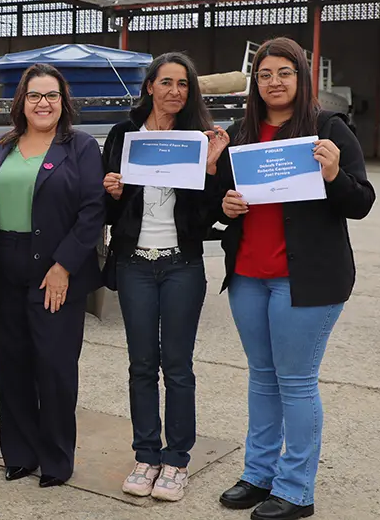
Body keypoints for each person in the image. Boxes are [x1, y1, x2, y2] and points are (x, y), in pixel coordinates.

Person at [215, 37, 375, 520]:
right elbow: (223, 199)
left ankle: (295, 489)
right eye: (265, 74)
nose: (274, 82)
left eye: (284, 73)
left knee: (297, 383)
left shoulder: (328, 130)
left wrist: (332, 176)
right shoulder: (242, 133)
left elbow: (362, 202)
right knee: (262, 380)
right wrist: (226, 206)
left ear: (301, 78)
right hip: (248, 275)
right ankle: (259, 474)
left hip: (304, 280)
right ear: (255, 82)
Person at [101, 52, 229, 502]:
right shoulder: (124, 135)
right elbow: (111, 210)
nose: (175, 91)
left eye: (183, 84)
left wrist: (212, 168)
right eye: (167, 82)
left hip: (181, 264)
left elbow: (210, 214)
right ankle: (145, 454)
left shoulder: (199, 139)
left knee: (177, 366)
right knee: (141, 365)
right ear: (150, 86)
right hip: (135, 263)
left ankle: (176, 461)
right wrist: (112, 192)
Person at [0, 62, 106, 488]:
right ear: (22, 102)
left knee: (53, 369)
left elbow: (92, 211)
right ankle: (18, 453)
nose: (43, 103)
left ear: (63, 101)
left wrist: (64, 265)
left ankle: (55, 460)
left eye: (51, 95)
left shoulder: (81, 147)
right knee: (11, 365)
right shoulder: (1, 147)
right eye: (34, 95)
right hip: (5, 264)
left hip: (54, 267)